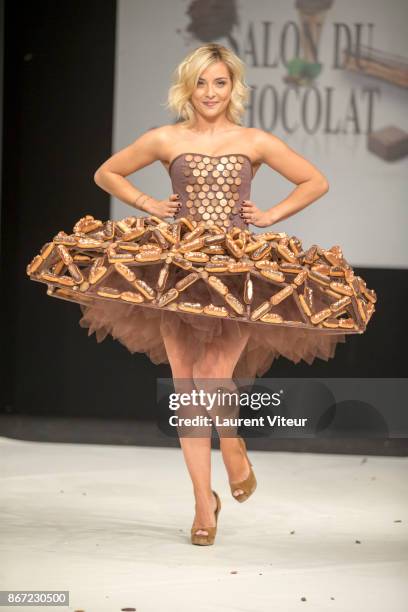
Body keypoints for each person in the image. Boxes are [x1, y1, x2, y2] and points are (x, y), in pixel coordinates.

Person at [27, 42, 376, 546]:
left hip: (235, 273)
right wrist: (147, 202)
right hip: (178, 273)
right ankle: (202, 505)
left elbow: (314, 181)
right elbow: (106, 172)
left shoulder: (253, 140)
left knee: (213, 375)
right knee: (188, 390)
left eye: (220, 82)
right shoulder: (166, 138)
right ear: (187, 87)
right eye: (201, 82)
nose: (210, 92)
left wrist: (272, 215)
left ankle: (231, 445)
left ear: (233, 87)